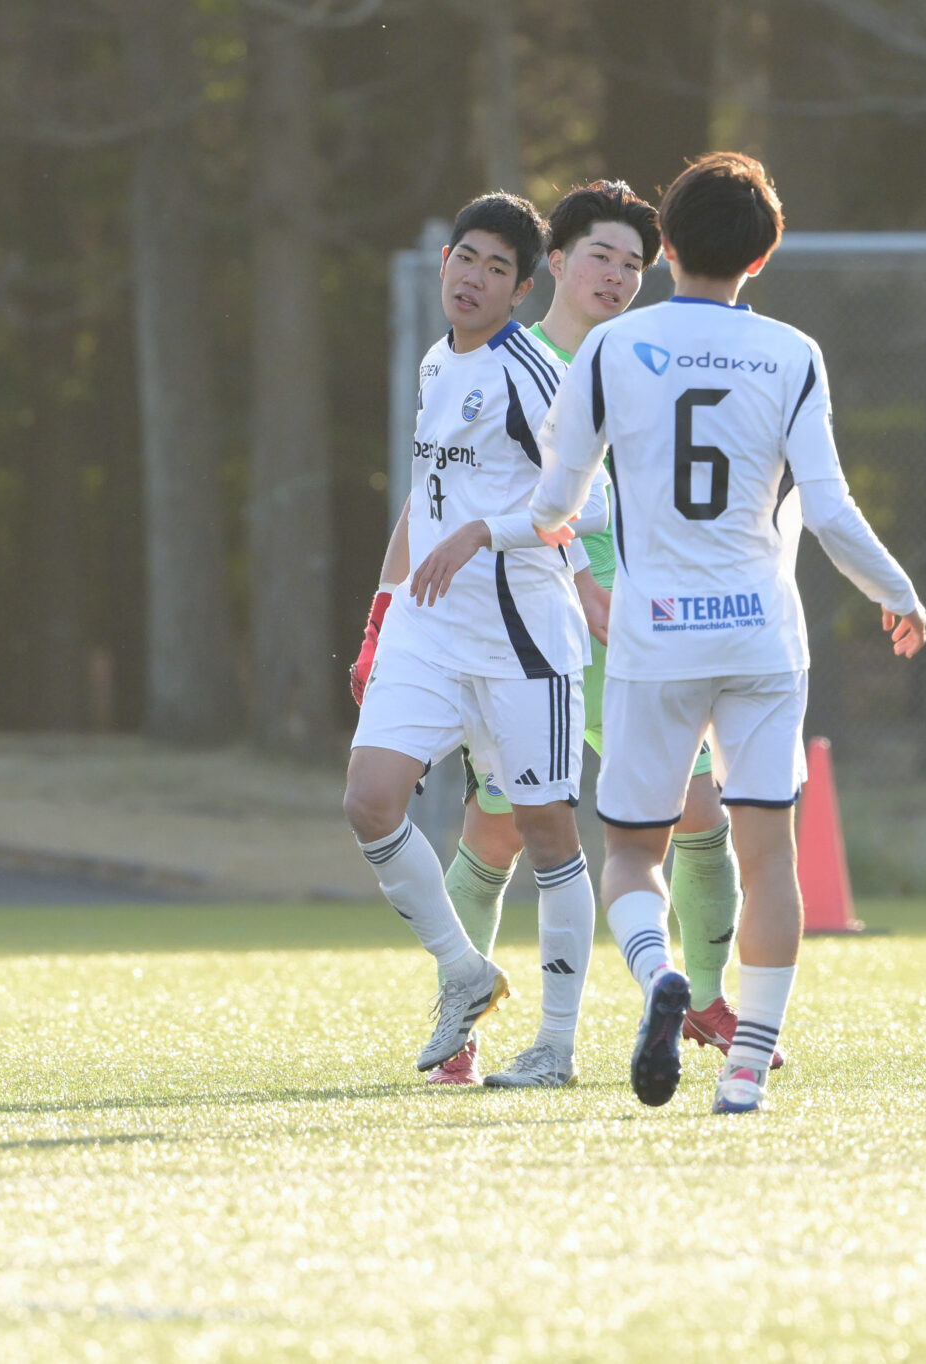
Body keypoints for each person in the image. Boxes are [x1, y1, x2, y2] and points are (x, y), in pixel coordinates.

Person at [351, 180, 778, 1086]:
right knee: (495, 831)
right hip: (524, 620)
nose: (616, 276)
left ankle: (698, 998)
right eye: (600, 257)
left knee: (694, 814)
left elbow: (632, 496)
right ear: (554, 266)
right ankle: (466, 1018)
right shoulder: (491, 355)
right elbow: (439, 499)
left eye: (633, 263)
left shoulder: (651, 360)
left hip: (628, 622)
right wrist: (384, 613)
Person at [528, 152, 926, 1114]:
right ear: (764, 255)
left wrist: (551, 525)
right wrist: (898, 590)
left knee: (634, 851)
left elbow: (556, 499)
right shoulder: (792, 353)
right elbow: (828, 509)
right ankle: (747, 1067)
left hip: (655, 637)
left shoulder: (613, 349)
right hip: (761, 638)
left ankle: (661, 972)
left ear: (664, 244)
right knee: (768, 855)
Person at [342, 192, 608, 1082]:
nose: (475, 278)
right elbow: (426, 501)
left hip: (523, 642)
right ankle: (465, 972)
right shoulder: (433, 363)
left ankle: (556, 1045)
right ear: (445, 261)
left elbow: (590, 503)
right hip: (429, 633)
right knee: (370, 800)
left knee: (545, 833)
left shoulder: (531, 371)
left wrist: (485, 534)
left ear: (522, 289)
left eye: (498, 269)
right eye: (466, 258)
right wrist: (381, 615)